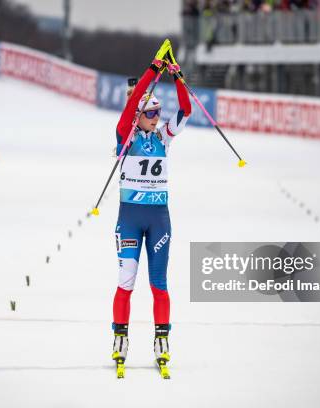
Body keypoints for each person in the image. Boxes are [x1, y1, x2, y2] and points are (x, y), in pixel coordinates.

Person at [111, 39, 192, 376]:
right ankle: (120, 340)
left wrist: (177, 76)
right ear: (139, 115)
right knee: (126, 281)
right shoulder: (125, 136)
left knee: (159, 283)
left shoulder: (164, 137)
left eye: (159, 112)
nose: (156, 117)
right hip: (129, 219)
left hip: (159, 219)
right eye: (151, 113)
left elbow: (185, 110)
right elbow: (131, 108)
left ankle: (162, 341)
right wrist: (153, 68)